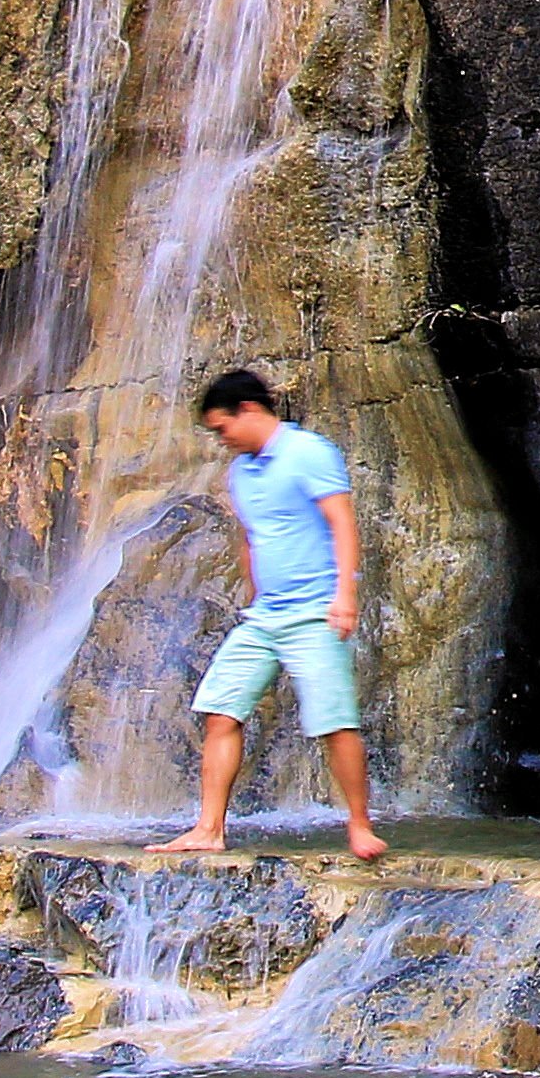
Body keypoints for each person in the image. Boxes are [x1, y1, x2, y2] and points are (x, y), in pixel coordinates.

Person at [147, 368, 387, 861]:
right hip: (265, 615)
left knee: (334, 720)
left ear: (249, 410)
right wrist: (253, 590)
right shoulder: (241, 471)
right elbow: (250, 537)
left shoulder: (308, 453)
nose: (222, 440)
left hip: (314, 608)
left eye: (223, 428)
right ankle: (208, 828)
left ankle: (360, 826)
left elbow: (342, 523)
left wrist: (345, 595)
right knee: (220, 710)